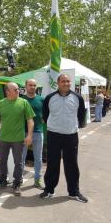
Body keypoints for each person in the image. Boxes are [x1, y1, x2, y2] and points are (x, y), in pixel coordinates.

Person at [40, 74, 88, 203]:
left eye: (68, 81)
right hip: (54, 134)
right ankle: (49, 190)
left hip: (71, 135)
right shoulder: (50, 98)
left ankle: (74, 192)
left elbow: (81, 115)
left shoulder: (77, 98)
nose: (66, 83)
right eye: (63, 81)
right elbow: (45, 114)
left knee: (72, 164)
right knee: (52, 163)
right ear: (58, 83)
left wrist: (73, 126)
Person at [0, 82, 34, 196]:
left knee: (18, 162)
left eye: (18, 89)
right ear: (7, 91)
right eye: (15, 89)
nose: (18, 91)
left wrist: (29, 135)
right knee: (2, 161)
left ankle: (17, 183)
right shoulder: (1, 103)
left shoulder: (24, 102)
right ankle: (2, 181)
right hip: (4, 138)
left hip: (18, 139)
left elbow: (30, 120)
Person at [21, 79, 44, 189]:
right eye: (30, 85)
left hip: (38, 132)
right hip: (23, 133)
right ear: (25, 86)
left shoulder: (41, 99)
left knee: (38, 158)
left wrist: (43, 119)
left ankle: (37, 180)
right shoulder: (21, 100)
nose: (32, 87)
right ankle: (19, 179)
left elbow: (46, 113)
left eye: (34, 85)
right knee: (21, 157)